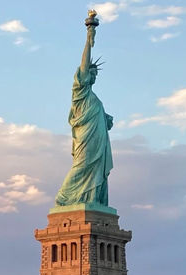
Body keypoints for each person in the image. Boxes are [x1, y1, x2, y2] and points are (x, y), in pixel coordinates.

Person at [55, 20, 113, 207]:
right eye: (91, 73)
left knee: (95, 169)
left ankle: (92, 199)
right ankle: (64, 198)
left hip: (97, 140)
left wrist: (105, 120)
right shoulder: (80, 90)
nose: (93, 76)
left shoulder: (94, 97)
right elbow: (84, 64)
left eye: (95, 74)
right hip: (86, 140)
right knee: (82, 165)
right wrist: (90, 37)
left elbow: (96, 116)